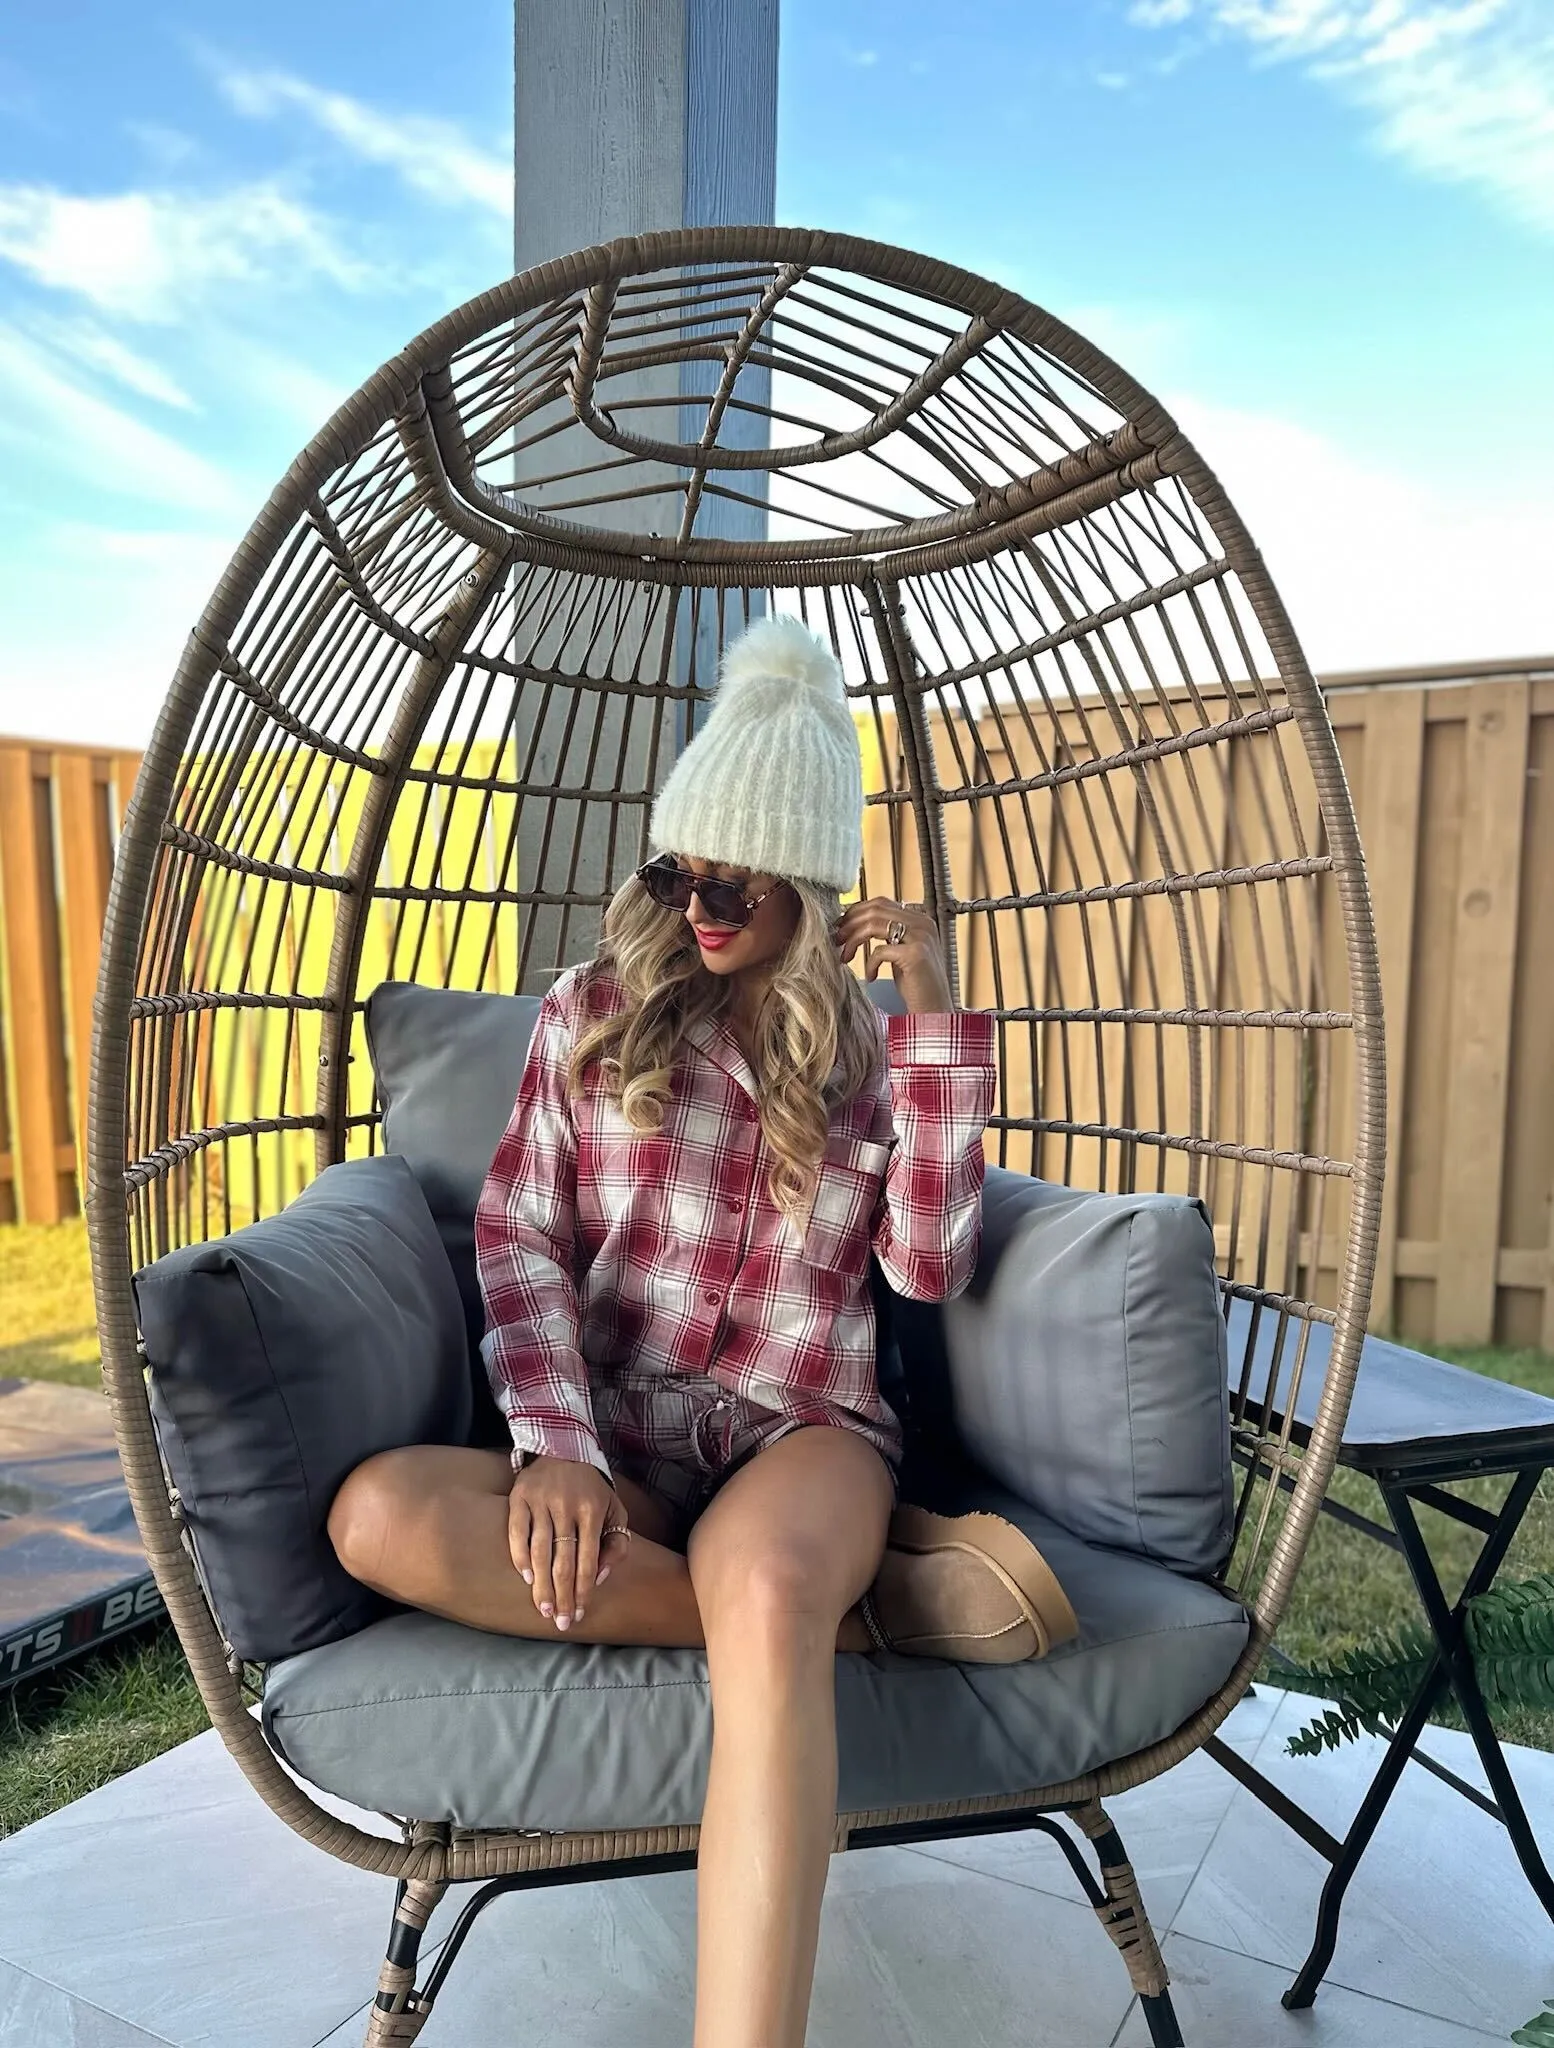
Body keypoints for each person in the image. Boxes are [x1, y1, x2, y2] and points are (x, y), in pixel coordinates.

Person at [328, 615, 1076, 2048]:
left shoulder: (867, 1053)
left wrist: (930, 1019)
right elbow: (517, 1236)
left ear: (807, 878)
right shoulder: (589, 1018)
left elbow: (924, 1269)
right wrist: (548, 1447)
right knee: (377, 1515)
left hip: (800, 1431)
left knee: (766, 1584)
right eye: (677, 871)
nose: (701, 904)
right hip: (616, 1437)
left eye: (736, 876)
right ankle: (862, 1621)